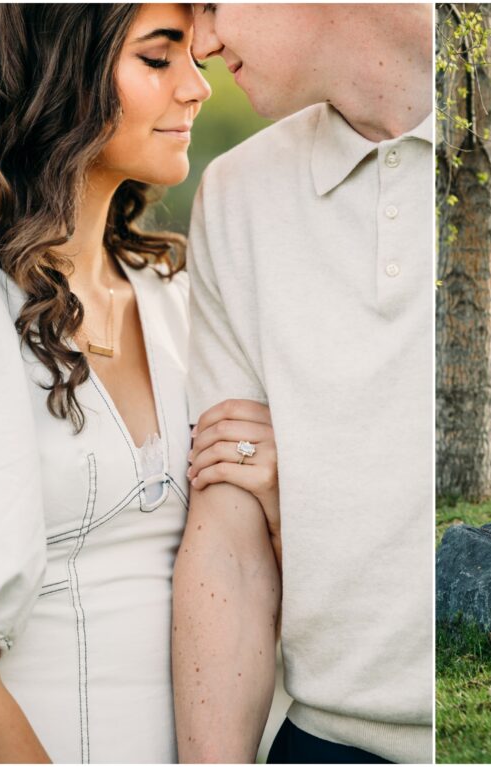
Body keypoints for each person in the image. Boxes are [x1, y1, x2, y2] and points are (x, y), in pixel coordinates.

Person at [0, 4, 262, 762]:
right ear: (56, 77)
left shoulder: (176, 294)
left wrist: (269, 483)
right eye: (157, 59)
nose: (197, 88)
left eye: (194, 60)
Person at [172, 4, 433, 764]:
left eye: (211, 5)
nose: (202, 43)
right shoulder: (235, 195)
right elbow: (228, 532)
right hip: (328, 744)